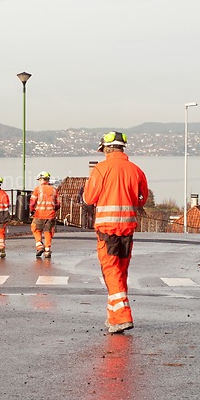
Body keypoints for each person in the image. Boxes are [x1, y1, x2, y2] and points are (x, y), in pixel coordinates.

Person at [83, 131, 148, 334]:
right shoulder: (136, 170)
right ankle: (113, 317)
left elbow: (89, 198)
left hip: (107, 229)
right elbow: (141, 199)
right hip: (127, 230)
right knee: (120, 272)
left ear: (106, 149)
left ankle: (122, 317)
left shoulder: (101, 169)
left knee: (111, 272)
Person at [29, 171, 60, 259]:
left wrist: (32, 211)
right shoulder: (54, 190)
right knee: (48, 232)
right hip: (50, 215)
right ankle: (47, 251)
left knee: (35, 229)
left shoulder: (38, 189)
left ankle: (39, 246)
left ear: (41, 179)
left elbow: (32, 202)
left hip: (39, 214)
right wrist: (53, 210)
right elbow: (58, 204)